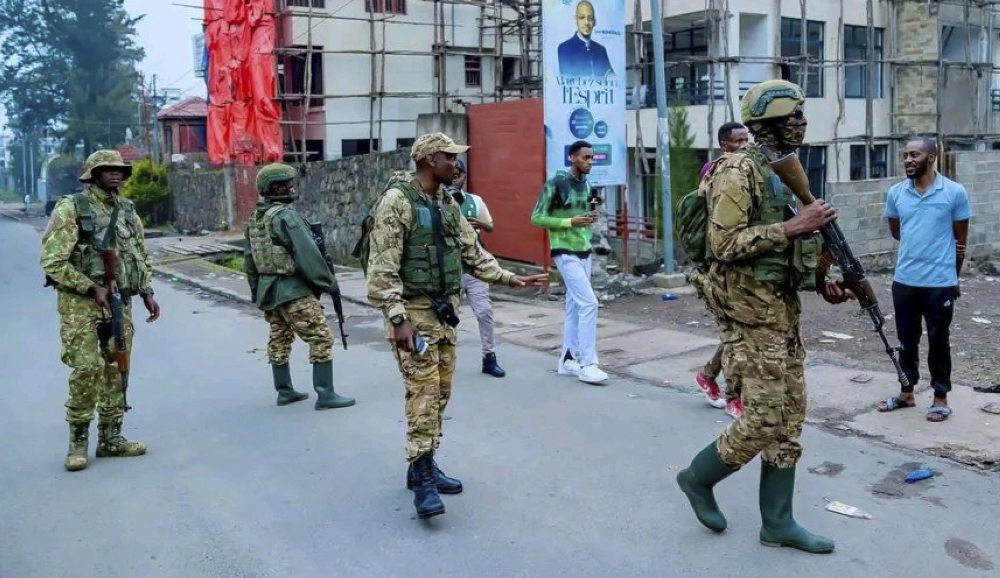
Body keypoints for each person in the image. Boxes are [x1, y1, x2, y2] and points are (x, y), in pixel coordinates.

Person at [675, 79, 855, 554]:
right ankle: (697, 477)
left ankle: (778, 522)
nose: (802, 123)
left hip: (779, 310)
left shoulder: (778, 171)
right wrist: (793, 226)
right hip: (748, 315)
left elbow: (783, 252)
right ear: (768, 123)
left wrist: (820, 280)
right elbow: (723, 244)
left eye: (801, 114)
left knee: (791, 416)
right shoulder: (738, 170)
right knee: (761, 419)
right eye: (793, 115)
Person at [365, 133, 546, 519]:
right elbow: (381, 269)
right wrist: (398, 319)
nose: (456, 164)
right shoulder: (397, 201)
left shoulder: (446, 202)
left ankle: (424, 464)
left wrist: (509, 278)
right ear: (430, 160)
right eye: (449, 157)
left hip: (444, 314)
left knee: (441, 392)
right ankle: (423, 480)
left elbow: (472, 252)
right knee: (424, 394)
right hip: (412, 315)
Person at [40, 150, 161, 472]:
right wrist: (91, 287)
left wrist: (147, 291)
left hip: (120, 301)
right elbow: (52, 262)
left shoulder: (128, 211)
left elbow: (140, 254)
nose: (115, 174)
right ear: (93, 174)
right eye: (107, 169)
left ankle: (111, 438)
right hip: (81, 303)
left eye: (119, 169)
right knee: (86, 369)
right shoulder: (72, 208)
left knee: (116, 367)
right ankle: (77, 443)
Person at [243, 163, 356, 411]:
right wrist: (328, 283)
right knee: (321, 337)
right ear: (275, 188)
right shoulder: (286, 217)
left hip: (269, 291)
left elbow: (250, 261)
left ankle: (284, 391)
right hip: (292, 290)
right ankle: (325, 395)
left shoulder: (255, 219)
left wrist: (256, 293)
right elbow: (308, 255)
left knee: (279, 338)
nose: (292, 187)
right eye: (287, 184)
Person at [877, 138, 972, 422]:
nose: (908, 160)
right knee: (906, 340)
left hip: (939, 282)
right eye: (905, 155)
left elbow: (961, 240)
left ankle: (940, 398)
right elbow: (897, 231)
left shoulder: (954, 192)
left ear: (931, 157)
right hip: (905, 280)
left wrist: (953, 277)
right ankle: (906, 393)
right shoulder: (896, 193)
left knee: (938, 340)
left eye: (914, 155)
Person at [531, 140, 608, 385]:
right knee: (589, 303)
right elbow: (537, 218)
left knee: (575, 305)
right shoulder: (556, 183)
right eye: (585, 157)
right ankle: (588, 363)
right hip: (564, 250)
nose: (590, 162)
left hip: (584, 249)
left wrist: (591, 217)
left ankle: (567, 359)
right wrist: (569, 222)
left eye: (592, 158)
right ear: (573, 157)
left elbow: (589, 211)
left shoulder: (588, 185)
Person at [693, 121, 750, 417]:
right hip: (720, 265)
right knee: (736, 333)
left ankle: (707, 376)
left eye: (746, 139)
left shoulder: (748, 168)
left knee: (737, 332)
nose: (743, 145)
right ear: (724, 145)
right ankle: (733, 397)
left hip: (740, 263)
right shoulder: (717, 171)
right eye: (737, 141)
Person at [448, 159, 506, 378]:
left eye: (459, 174)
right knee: (448, 315)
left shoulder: (474, 201)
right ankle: (444, 359)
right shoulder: (435, 200)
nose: (455, 178)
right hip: (449, 267)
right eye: (452, 174)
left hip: (474, 266)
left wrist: (479, 224)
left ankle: (489, 357)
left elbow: (490, 226)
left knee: (484, 312)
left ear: (464, 176)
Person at [557, 0, 614, 78]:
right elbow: (569, 80)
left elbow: (611, 78)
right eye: (582, 17)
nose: (586, 22)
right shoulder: (564, 48)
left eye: (590, 18)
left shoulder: (601, 50)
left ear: (594, 22)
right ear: (576, 20)